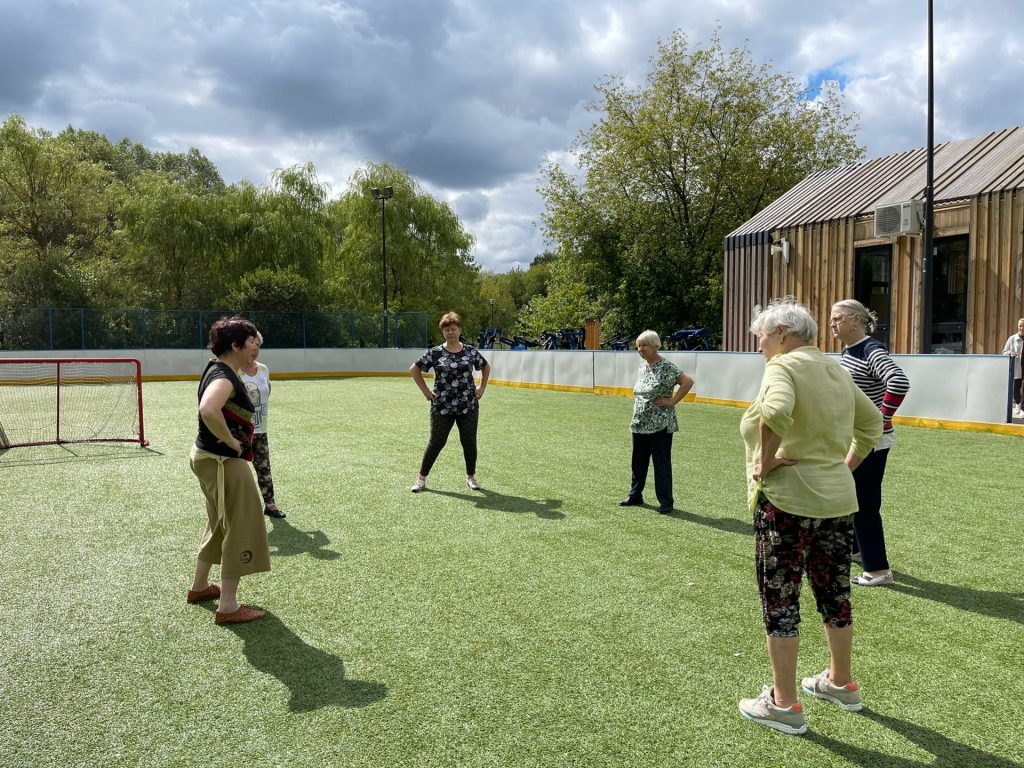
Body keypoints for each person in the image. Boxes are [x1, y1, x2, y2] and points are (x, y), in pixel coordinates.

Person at [738, 298, 881, 735]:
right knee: (835, 593)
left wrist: (766, 461)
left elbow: (775, 412)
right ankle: (840, 682)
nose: (759, 345)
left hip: (787, 504)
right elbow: (872, 425)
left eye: (761, 336)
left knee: (780, 602)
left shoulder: (783, 367)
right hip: (837, 502)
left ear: (782, 332)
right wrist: (841, 468)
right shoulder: (836, 368)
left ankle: (783, 704)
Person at [187, 316, 271, 625]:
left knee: (218, 521)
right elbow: (209, 409)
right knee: (242, 523)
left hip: (207, 458)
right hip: (222, 461)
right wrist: (232, 444)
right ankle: (229, 605)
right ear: (234, 345)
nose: (256, 350)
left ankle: (199, 587)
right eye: (252, 344)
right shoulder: (223, 376)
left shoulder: (217, 368)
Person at [831, 300, 911, 587]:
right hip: (859, 437)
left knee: (865, 502)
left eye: (838, 318)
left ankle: (877, 570)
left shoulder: (870, 349)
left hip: (872, 440)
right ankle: (857, 550)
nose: (832, 324)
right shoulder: (851, 350)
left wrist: (880, 418)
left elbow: (899, 382)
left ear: (856, 320)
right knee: (853, 496)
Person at [410, 311, 490, 492]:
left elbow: (485, 366)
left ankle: (471, 477)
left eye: (453, 329)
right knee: (436, 442)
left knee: (469, 441)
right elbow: (414, 370)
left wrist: (482, 387)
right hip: (442, 406)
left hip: (467, 405)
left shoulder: (470, 351)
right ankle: (421, 479)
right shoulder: (435, 353)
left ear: (460, 330)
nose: (450, 332)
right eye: (446, 330)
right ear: (443, 332)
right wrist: (425, 391)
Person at [619, 330, 694, 513]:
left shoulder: (667, 366)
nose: (640, 349)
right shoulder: (643, 367)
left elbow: (688, 382)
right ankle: (635, 494)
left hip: (660, 423)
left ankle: (666, 502)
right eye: (638, 346)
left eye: (644, 345)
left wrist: (672, 401)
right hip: (640, 422)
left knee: (661, 463)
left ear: (656, 346)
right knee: (638, 462)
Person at [240, 332, 286, 519]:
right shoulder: (235, 370)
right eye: (252, 342)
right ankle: (240, 508)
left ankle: (270, 504)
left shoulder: (263, 369)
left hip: (260, 428)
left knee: (264, 467)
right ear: (241, 345)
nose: (255, 347)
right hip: (240, 431)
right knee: (239, 471)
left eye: (258, 344)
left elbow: (268, 389)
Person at [1001, 318, 1024, 418]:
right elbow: (1004, 352)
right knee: (1016, 388)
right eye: (1020, 326)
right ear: (1018, 326)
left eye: (1023, 326)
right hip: (1017, 367)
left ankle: (1022, 408)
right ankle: (1018, 404)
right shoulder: (1012, 339)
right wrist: (1011, 353)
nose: (1022, 328)